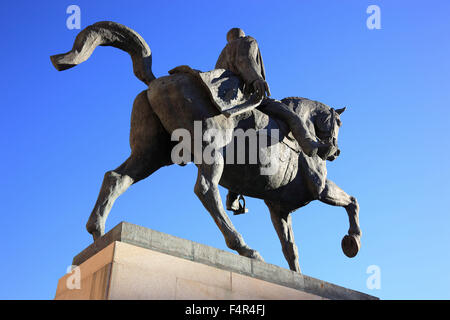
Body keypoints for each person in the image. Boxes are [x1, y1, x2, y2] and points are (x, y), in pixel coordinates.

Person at [216, 28, 331, 214]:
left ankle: (233, 196)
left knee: (236, 148)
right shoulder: (247, 42)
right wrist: (256, 80)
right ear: (241, 35)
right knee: (291, 116)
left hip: (227, 99)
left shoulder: (223, 52)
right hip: (249, 95)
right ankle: (310, 146)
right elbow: (245, 60)